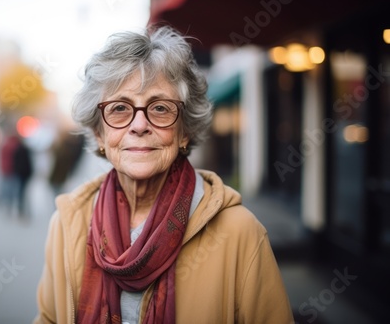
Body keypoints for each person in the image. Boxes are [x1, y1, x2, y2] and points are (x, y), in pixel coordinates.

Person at [33, 26, 293, 324]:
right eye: (119, 108)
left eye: (159, 107)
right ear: (99, 134)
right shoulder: (67, 223)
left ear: (184, 132)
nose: (139, 124)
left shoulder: (240, 232)